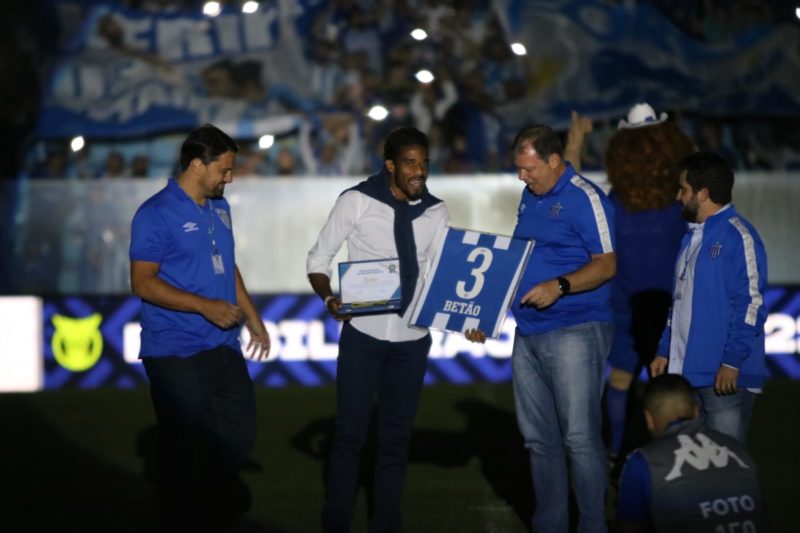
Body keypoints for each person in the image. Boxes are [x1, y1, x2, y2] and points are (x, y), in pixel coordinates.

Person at [306, 126, 483, 533]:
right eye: (409, 163)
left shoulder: (437, 211)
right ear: (390, 165)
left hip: (413, 341)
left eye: (423, 162)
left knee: (395, 441)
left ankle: (385, 524)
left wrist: (467, 321)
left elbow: (445, 279)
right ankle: (336, 523)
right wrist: (330, 298)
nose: (419, 170)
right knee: (349, 436)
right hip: (363, 337)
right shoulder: (356, 201)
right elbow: (318, 260)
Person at [129, 124, 271, 531]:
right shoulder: (155, 213)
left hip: (224, 345)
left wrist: (253, 317)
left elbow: (227, 265)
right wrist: (204, 306)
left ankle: (201, 509)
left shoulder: (220, 208)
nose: (229, 178)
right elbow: (142, 282)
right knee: (183, 451)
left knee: (239, 440)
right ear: (196, 164)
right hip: (175, 350)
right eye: (224, 170)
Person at [566, 104, 696, 465]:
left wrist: (575, 140)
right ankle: (678, 453)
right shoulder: (682, 198)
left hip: (623, 304)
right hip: (673, 306)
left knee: (621, 381)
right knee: (673, 384)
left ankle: (615, 452)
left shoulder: (614, 200)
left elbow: (573, 190)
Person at [509, 124, 616, 532]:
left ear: (554, 161)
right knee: (539, 442)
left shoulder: (585, 198)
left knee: (580, 439)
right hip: (528, 330)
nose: (522, 177)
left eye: (529, 169)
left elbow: (607, 264)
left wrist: (561, 286)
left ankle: (592, 526)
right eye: (519, 169)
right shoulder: (530, 196)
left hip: (576, 327)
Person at [650, 151, 767, 443]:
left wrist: (731, 362)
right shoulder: (691, 237)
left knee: (726, 467)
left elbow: (751, 304)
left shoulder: (739, 236)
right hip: (689, 375)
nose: (678, 196)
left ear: (702, 194)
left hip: (722, 377)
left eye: (683, 189)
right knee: (697, 470)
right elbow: (678, 301)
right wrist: (665, 349)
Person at [616, 374, 765, 532]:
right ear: (695, 411)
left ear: (649, 419)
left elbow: (628, 527)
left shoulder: (644, 461)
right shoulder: (738, 450)